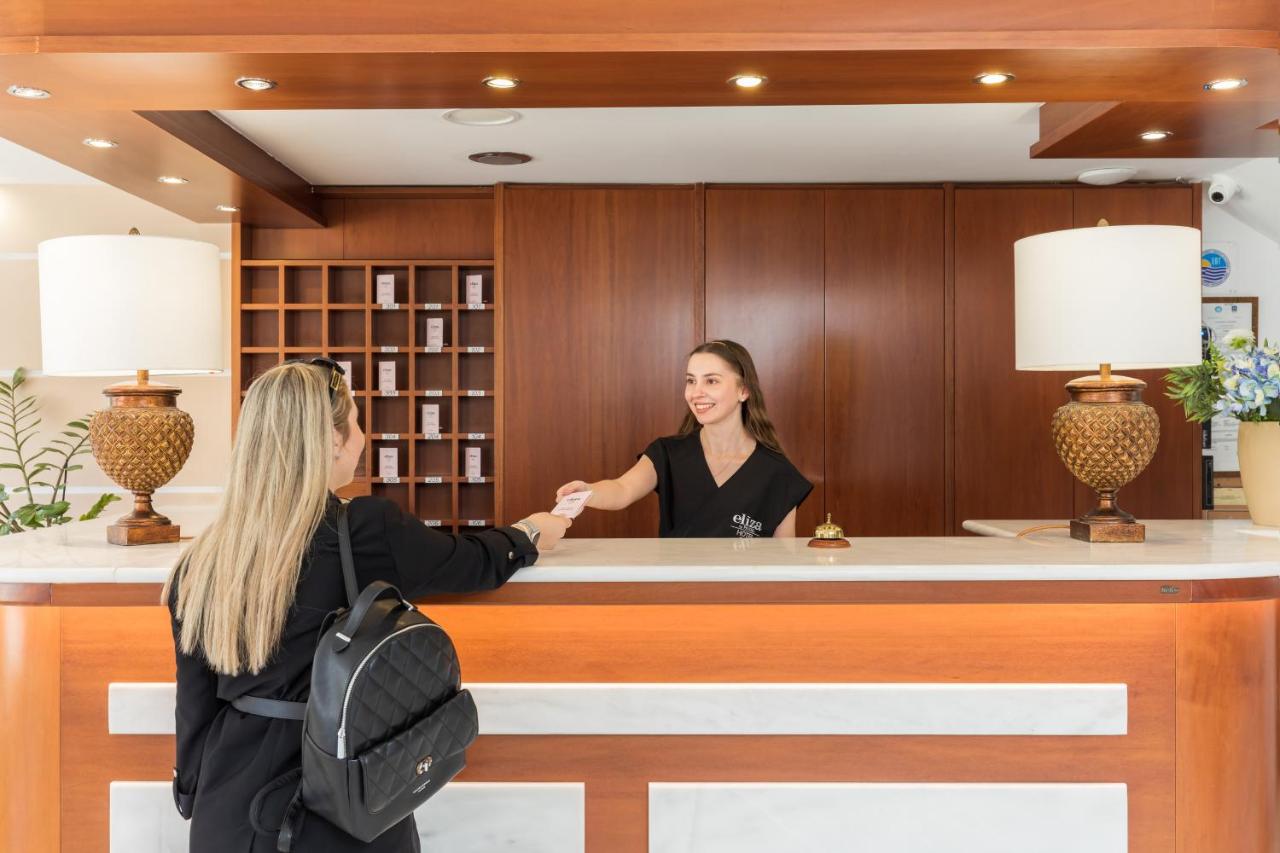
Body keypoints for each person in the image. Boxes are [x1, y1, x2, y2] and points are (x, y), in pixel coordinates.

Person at [163, 358, 569, 852]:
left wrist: (193, 792)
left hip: (229, 813)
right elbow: (470, 562)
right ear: (333, 439)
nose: (361, 438)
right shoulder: (366, 531)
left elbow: (194, 708)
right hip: (342, 806)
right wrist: (528, 534)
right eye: (356, 422)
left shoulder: (202, 559)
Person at [557, 340, 811, 538]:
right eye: (691, 381)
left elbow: (783, 560)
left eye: (711, 381)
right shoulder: (666, 453)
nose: (696, 393)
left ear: (743, 390)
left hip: (742, 590)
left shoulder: (778, 473)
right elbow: (622, 490)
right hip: (677, 587)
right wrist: (588, 491)